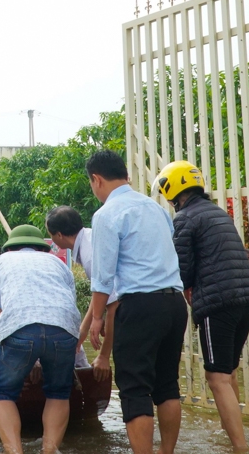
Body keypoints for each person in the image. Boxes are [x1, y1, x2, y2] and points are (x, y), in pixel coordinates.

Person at [86, 150, 186, 454]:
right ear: (125, 175)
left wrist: (97, 316)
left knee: (134, 389)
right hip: (174, 304)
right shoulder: (155, 208)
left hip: (140, 306)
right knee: (167, 385)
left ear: (97, 179)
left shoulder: (106, 214)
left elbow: (103, 276)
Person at [158, 160, 249, 452]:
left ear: (173, 190)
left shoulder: (185, 218)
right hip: (245, 297)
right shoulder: (218, 213)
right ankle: (230, 434)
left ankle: (240, 447)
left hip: (218, 302)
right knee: (228, 372)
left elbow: (183, 268)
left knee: (216, 377)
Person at [0, 225, 82, 454]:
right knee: (58, 392)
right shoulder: (58, 263)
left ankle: (14, 451)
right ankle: (50, 450)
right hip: (64, 328)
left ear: (10, 247)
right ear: (41, 247)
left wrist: (15, 357)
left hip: (18, 326)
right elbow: (69, 305)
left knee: (1, 393)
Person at [45, 206, 117, 381]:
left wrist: (104, 355)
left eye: (52, 235)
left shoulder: (90, 254)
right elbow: (99, 292)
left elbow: (114, 305)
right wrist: (83, 331)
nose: (53, 241)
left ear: (59, 235)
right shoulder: (89, 239)